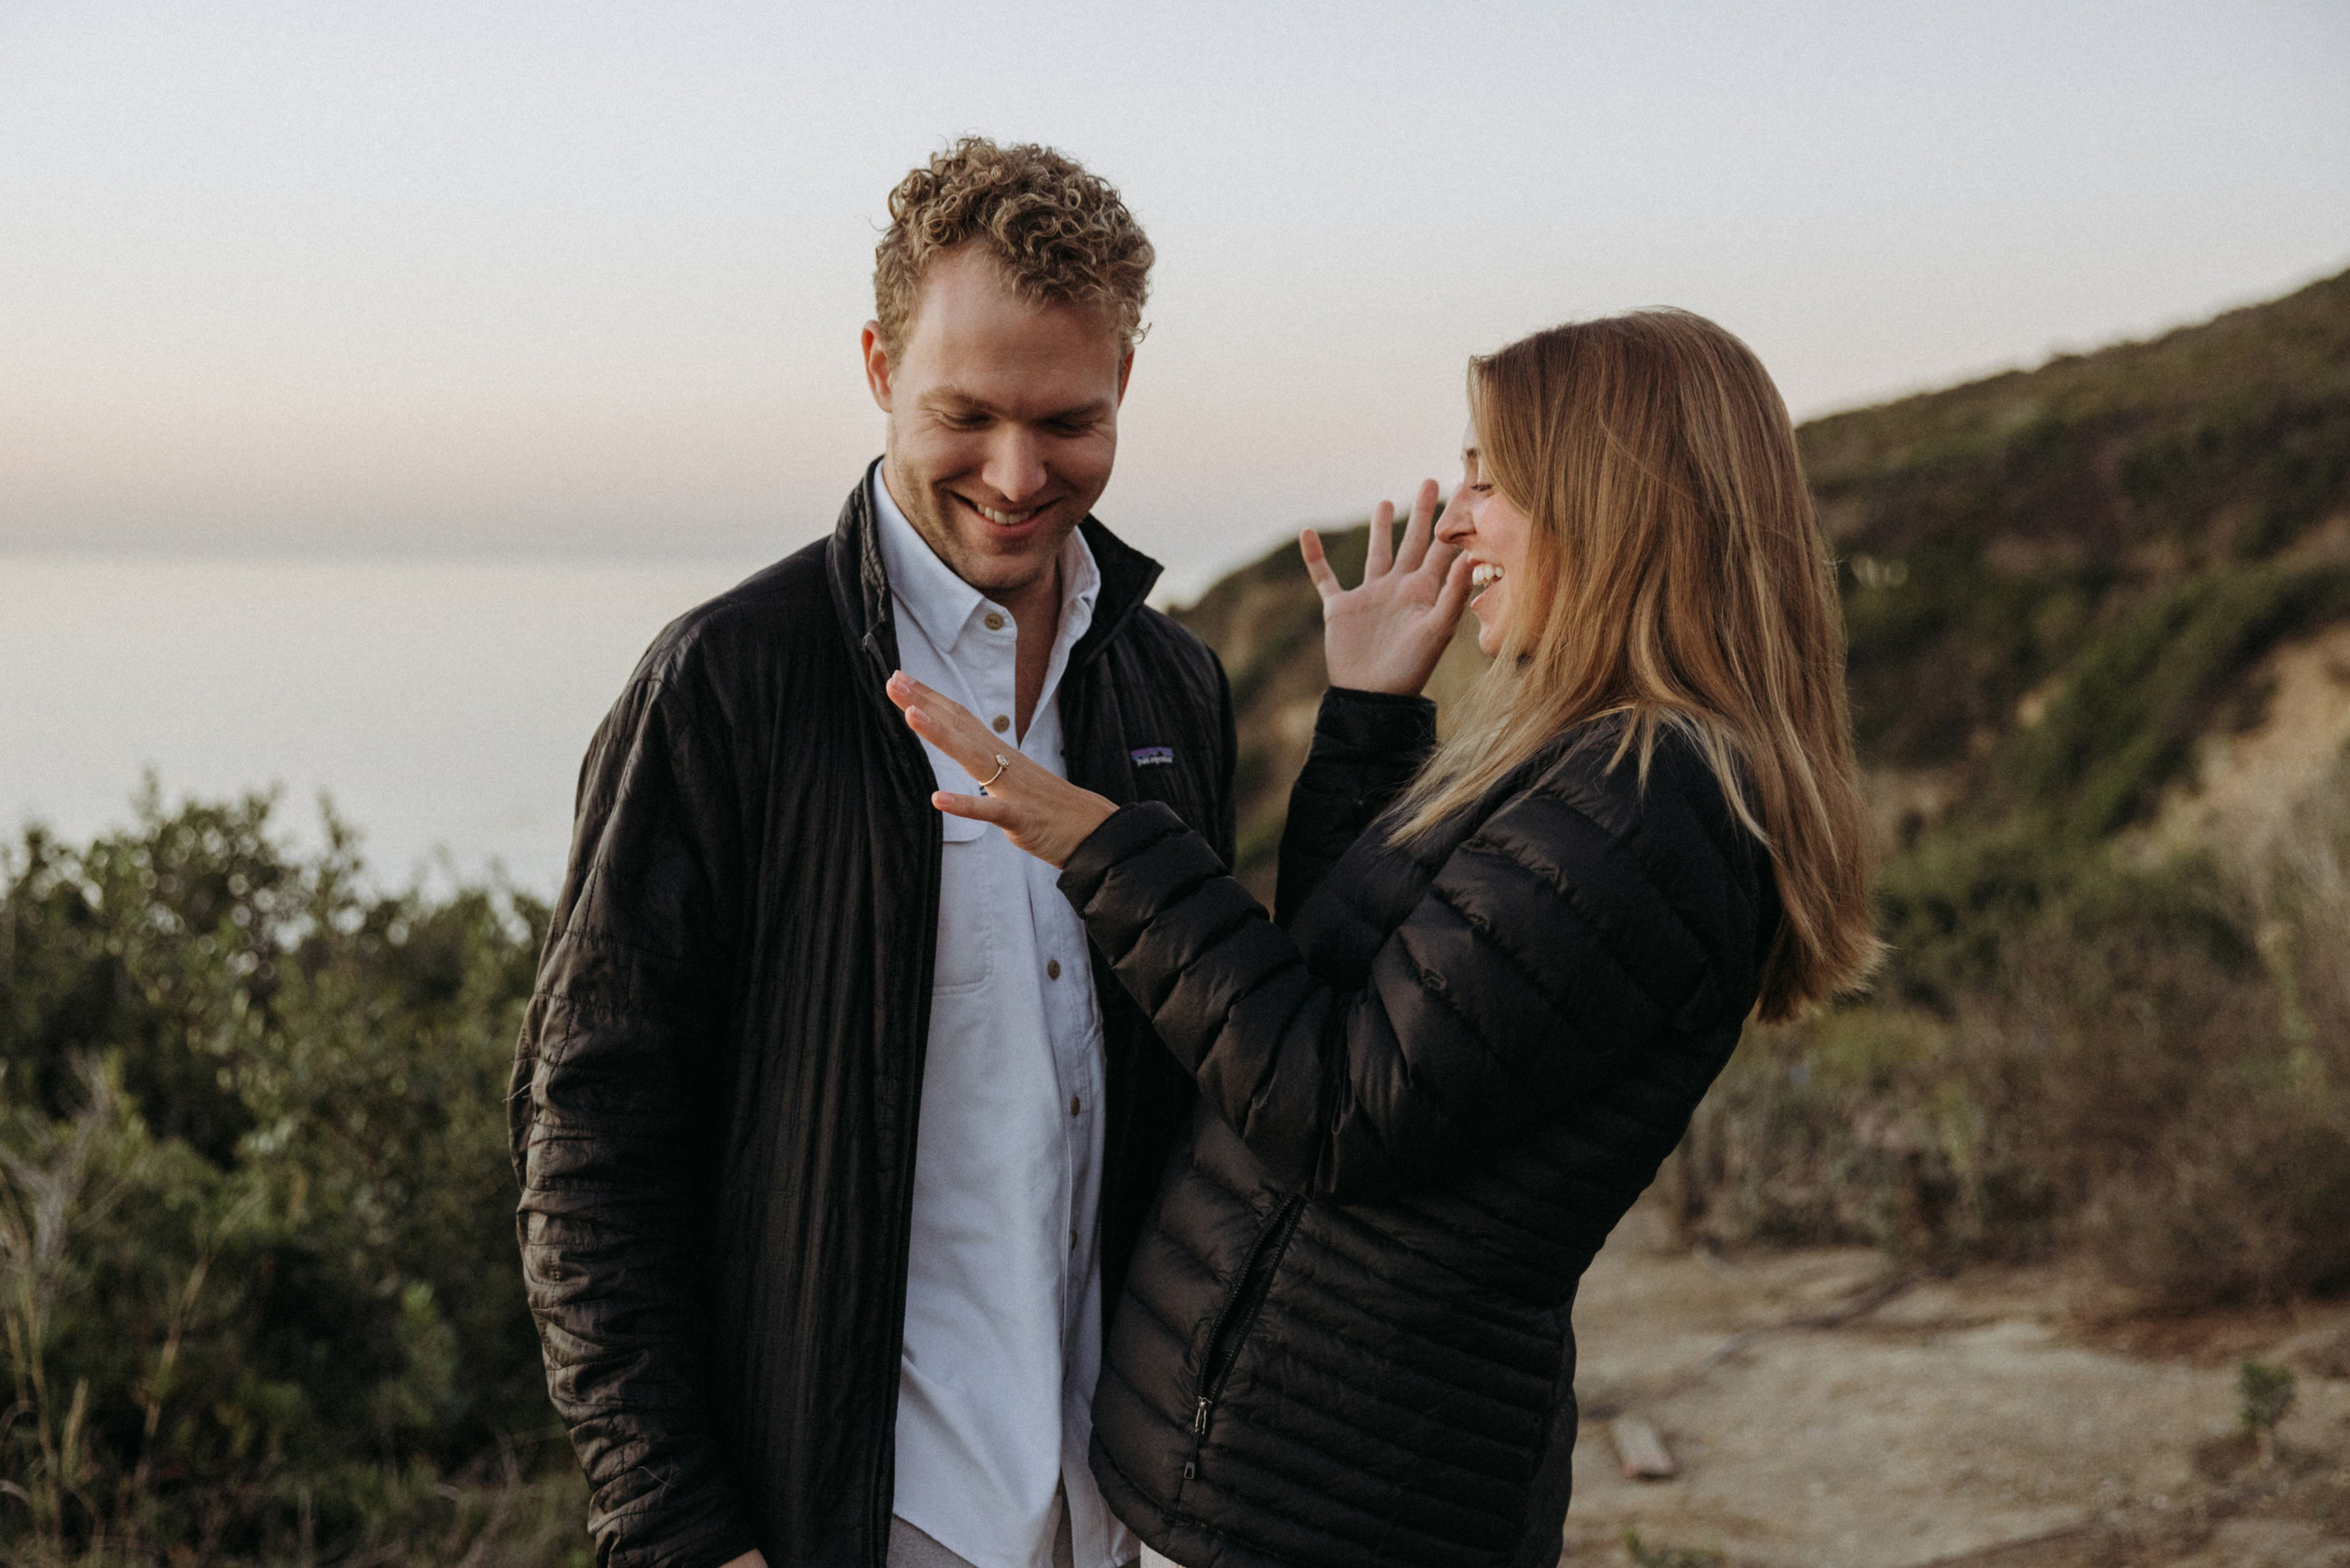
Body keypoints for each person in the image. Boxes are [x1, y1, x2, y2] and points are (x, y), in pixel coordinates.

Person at [886, 309, 1880, 1566]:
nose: (1457, 523)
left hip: (1335, 1500)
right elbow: (1348, 993)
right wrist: (1365, 718)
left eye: (1492, 482)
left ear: (1611, 506)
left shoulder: (1644, 797)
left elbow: (1337, 1106)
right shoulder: (1597, 766)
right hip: (1303, 1480)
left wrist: (1105, 847)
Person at [509, 139, 1233, 1568]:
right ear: (878, 366)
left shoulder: (1175, 685)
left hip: (1134, 1518)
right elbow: (587, 1135)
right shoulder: (727, 685)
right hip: (864, 1519)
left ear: (1124, 385)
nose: (1017, 475)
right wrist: (674, 1523)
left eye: (1069, 421)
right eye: (967, 414)